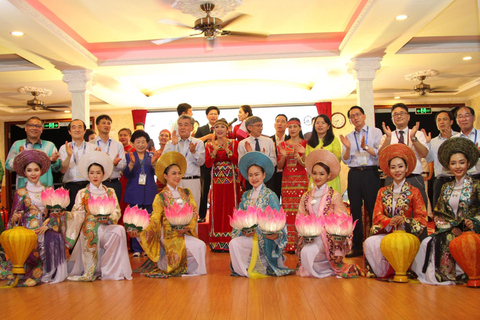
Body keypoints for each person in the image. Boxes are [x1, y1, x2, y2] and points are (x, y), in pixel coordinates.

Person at [412, 137, 480, 285]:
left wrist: (472, 222)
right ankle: (437, 276)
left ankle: (463, 274)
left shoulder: (476, 185)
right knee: (427, 242)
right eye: (453, 163)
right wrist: (452, 226)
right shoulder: (446, 187)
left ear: (468, 164)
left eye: (462, 162)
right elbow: (438, 213)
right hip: (450, 229)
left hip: (472, 230)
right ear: (448, 165)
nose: (458, 166)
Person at [129, 151, 207, 278]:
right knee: (194, 247)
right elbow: (154, 220)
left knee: (200, 246)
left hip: (185, 232)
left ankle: (188, 268)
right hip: (169, 236)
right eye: (173, 174)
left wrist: (188, 227)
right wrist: (140, 232)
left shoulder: (187, 193)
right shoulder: (160, 197)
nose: (177, 176)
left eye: (179, 173)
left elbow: (194, 213)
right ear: (165, 176)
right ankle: (168, 264)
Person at [3, 150, 67, 286]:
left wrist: (47, 224)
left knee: (53, 236)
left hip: (44, 227)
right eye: (29, 170)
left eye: (36, 170)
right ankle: (31, 272)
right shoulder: (21, 192)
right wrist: (16, 217)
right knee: (31, 239)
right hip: (27, 229)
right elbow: (14, 217)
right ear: (24, 173)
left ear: (41, 171)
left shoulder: (47, 190)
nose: (33, 173)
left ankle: (48, 273)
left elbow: (55, 212)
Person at [296, 149, 364, 278]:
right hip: (309, 234)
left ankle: (324, 267)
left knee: (310, 252)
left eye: (321, 174)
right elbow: (301, 215)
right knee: (306, 251)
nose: (317, 177)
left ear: (328, 176)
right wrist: (306, 229)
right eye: (314, 173)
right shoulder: (306, 196)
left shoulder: (334, 196)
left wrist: (324, 227)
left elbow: (341, 218)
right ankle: (313, 268)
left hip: (326, 236)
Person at [66, 151, 132, 282]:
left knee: (119, 230)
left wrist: (110, 218)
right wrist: (67, 216)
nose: (95, 176)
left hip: (106, 226)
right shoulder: (82, 193)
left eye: (98, 173)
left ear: (103, 174)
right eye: (92, 173)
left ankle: (110, 271)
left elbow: (117, 211)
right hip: (89, 229)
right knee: (89, 231)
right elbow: (77, 213)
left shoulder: (109, 191)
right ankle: (92, 270)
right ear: (87, 174)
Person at [364, 144, 428, 279]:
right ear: (388, 170)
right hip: (387, 231)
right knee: (370, 242)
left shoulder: (414, 191)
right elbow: (376, 215)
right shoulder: (383, 191)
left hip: (406, 233)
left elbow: (422, 218)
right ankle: (383, 271)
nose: (397, 170)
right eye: (393, 167)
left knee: (400, 243)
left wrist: (404, 221)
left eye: (400, 166)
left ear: (406, 169)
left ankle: (404, 269)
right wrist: (389, 221)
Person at [229, 151, 294, 278]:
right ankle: (242, 270)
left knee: (236, 244)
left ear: (264, 175)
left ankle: (257, 266)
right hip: (248, 236)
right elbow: (239, 218)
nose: (254, 178)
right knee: (234, 243)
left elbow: (279, 220)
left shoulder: (271, 195)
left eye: (257, 174)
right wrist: (243, 230)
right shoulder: (246, 196)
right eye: (251, 175)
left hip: (264, 239)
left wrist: (276, 234)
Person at [339, 106, 383, 258]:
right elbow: (345, 160)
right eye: (352, 116)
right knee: (355, 211)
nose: (355, 118)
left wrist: (365, 147)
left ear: (364, 116)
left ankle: (376, 247)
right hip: (354, 174)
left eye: (358, 114)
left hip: (371, 173)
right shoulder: (348, 136)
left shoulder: (375, 132)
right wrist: (347, 148)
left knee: (373, 210)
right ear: (350, 120)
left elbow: (379, 154)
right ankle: (357, 247)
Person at [379, 103, 429, 206]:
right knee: (391, 209)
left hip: (414, 177)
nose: (398, 116)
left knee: (419, 209)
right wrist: (388, 139)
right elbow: (381, 156)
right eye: (395, 114)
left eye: (402, 113)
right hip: (393, 178)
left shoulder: (418, 134)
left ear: (408, 117)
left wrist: (413, 138)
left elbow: (424, 154)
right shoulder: (387, 136)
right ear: (392, 119)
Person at [205, 118, 240, 251]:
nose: (219, 129)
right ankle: (217, 241)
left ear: (227, 130)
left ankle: (231, 239)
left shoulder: (234, 143)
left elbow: (236, 161)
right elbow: (208, 164)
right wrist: (214, 151)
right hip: (216, 182)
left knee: (231, 208)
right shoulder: (209, 144)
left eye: (222, 127)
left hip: (231, 182)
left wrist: (227, 150)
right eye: (217, 127)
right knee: (217, 208)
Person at [123, 130, 158, 257]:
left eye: (143, 142)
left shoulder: (151, 155)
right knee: (134, 221)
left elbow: (157, 174)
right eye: (138, 142)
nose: (141, 144)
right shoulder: (128, 156)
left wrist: (154, 164)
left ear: (147, 143)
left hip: (149, 191)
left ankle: (147, 248)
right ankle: (136, 249)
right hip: (134, 192)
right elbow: (126, 174)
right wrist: (131, 164)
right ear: (133, 143)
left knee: (148, 221)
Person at [276, 117, 307, 252]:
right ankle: (289, 243)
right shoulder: (282, 145)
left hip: (301, 179)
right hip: (287, 180)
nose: (292, 129)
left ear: (300, 128)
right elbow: (280, 166)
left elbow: (306, 164)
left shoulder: (305, 143)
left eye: (295, 126)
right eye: (290, 127)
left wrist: (299, 156)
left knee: (302, 209)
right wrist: (283, 156)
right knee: (288, 209)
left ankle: (302, 241)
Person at [6, 116, 61, 188]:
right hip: (23, 190)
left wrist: (53, 161)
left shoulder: (50, 145)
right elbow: (8, 167)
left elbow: (57, 168)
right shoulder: (17, 144)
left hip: (45, 190)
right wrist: (19, 158)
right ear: (25, 128)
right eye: (31, 125)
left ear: (41, 129)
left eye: (37, 126)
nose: (34, 128)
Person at [164, 115, 205, 208]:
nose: (182, 127)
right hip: (175, 182)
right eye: (180, 125)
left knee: (193, 211)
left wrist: (194, 152)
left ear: (192, 128)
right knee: (175, 212)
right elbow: (164, 162)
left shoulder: (198, 143)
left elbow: (201, 162)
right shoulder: (170, 143)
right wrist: (173, 145)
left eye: (186, 125)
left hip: (192, 181)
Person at [59, 119, 96, 211]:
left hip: (89, 186)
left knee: (90, 214)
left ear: (84, 131)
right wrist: (69, 156)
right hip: (71, 187)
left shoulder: (92, 147)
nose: (77, 130)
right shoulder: (64, 148)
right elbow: (62, 170)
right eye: (74, 127)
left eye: (80, 127)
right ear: (69, 132)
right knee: (72, 215)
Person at [425, 111, 457, 209]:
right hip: (440, 181)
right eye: (439, 120)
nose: (442, 122)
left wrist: (449, 139)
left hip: (457, 180)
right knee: (439, 212)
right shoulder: (433, 141)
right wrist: (427, 145)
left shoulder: (459, 137)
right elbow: (429, 159)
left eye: (445, 119)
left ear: (451, 122)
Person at [90, 115, 127, 201]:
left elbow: (123, 166)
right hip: (97, 183)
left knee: (114, 211)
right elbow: (88, 165)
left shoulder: (117, 144)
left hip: (114, 183)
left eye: (108, 123)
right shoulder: (91, 144)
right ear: (97, 126)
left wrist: (116, 164)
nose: (106, 125)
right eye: (103, 123)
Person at [238, 116, 276, 191]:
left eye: (261, 125)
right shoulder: (242, 144)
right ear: (249, 127)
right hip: (251, 180)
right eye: (258, 125)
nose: (261, 128)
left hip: (267, 178)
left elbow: (274, 161)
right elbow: (241, 164)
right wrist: (250, 155)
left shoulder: (269, 141)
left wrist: (263, 159)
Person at [195, 106, 220, 222]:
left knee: (218, 191)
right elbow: (195, 142)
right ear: (207, 116)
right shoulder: (201, 129)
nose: (213, 116)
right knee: (203, 190)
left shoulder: (221, 128)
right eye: (211, 114)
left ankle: (217, 215)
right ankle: (202, 215)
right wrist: (207, 138)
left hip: (219, 165)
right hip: (205, 164)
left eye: (215, 114)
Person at [306, 114, 342, 193]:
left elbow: (338, 157)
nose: (320, 125)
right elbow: (307, 161)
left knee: (330, 202)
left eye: (323, 123)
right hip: (315, 177)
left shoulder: (333, 140)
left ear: (328, 126)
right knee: (314, 202)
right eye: (317, 123)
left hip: (330, 177)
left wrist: (325, 155)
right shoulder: (310, 142)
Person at [452, 106, 480, 179]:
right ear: (457, 120)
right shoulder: (453, 140)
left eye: (467, 116)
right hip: (462, 179)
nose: (464, 119)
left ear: (474, 118)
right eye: (460, 117)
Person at [268, 114, 289, 200]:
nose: (280, 124)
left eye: (283, 121)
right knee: (273, 200)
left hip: (287, 174)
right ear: (274, 125)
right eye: (278, 121)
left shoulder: (290, 140)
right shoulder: (269, 140)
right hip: (273, 176)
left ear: (287, 125)